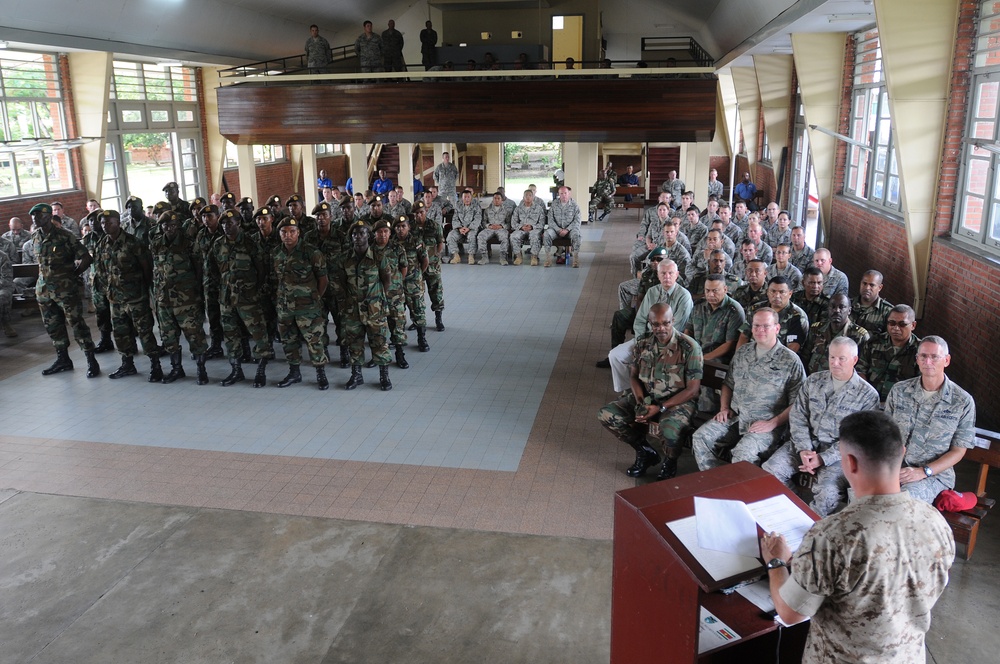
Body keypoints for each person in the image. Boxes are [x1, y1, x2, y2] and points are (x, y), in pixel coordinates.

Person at [760, 410, 954, 663]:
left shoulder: (833, 534)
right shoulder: (935, 521)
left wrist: (776, 563)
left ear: (850, 463)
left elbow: (790, 613)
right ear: (902, 453)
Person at [762, 337, 880, 516]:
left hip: (840, 455)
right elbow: (798, 415)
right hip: (805, 445)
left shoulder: (868, 395)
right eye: (832, 357)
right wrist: (803, 449)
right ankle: (793, 513)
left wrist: (823, 458)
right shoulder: (813, 381)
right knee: (770, 470)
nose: (835, 363)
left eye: (842, 359)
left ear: (854, 360)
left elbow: (857, 438)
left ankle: (812, 528)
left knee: (827, 494)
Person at [692, 307, 805, 470]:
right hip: (736, 417)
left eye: (766, 326)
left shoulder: (790, 360)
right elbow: (728, 383)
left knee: (742, 454)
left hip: (766, 425)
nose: (760, 330)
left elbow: (798, 403)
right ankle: (716, 482)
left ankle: (743, 492)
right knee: (700, 437)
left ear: (777, 328)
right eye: (756, 326)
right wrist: (724, 408)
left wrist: (773, 423)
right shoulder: (743, 352)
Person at [598, 304, 703, 480]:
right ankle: (644, 451)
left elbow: (693, 390)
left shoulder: (689, 347)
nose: (661, 328)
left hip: (678, 402)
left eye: (666, 323)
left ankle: (670, 461)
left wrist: (660, 408)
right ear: (650, 323)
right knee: (607, 415)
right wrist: (640, 402)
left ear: (673, 321)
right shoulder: (642, 343)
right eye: (656, 324)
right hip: (647, 397)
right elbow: (633, 375)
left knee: (669, 430)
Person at [884, 336, 977, 503]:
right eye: (923, 356)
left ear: (946, 360)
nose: (928, 361)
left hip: (933, 475)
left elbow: (959, 450)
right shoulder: (900, 391)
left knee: (903, 500)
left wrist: (923, 471)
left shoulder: (962, 401)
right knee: (861, 492)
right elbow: (885, 434)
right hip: (894, 467)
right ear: (917, 359)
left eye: (935, 357)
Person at [29, 203, 100, 377]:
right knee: (53, 326)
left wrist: (72, 274)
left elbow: (86, 258)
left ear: (47, 216)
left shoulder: (65, 236)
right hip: (44, 291)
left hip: (65, 290)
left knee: (77, 324)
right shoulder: (35, 237)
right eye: (33, 217)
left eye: (38, 216)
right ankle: (63, 360)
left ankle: (91, 360)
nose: (35, 219)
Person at [93, 209, 162, 381]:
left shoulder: (133, 243)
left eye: (109, 222)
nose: (105, 226)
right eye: (103, 223)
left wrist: (144, 289)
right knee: (121, 333)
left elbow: (147, 268)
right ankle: (127, 364)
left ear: (118, 223)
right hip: (115, 299)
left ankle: (155, 364)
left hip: (135, 297)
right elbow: (101, 271)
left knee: (144, 331)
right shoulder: (102, 245)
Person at [606, 260, 694, 392]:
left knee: (651, 362)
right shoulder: (652, 292)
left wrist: (653, 345)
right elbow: (640, 320)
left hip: (670, 344)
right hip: (646, 339)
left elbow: (677, 327)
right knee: (615, 355)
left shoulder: (684, 296)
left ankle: (648, 391)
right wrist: (641, 341)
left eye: (670, 273)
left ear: (677, 274)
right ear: (658, 275)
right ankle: (628, 390)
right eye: (663, 273)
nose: (667, 276)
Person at [212, 210, 275, 387]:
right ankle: (236, 370)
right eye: (223, 223)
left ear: (238, 223)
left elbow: (262, 268)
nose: (226, 226)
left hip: (249, 298)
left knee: (258, 334)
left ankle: (261, 370)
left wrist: (253, 289)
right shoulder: (218, 244)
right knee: (231, 336)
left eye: (230, 223)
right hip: (227, 299)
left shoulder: (250, 243)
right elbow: (214, 270)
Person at [149, 211, 209, 385]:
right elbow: (156, 271)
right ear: (161, 227)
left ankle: (201, 369)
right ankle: (177, 369)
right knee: (169, 336)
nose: (170, 228)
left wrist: (196, 292)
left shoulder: (188, 244)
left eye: (174, 225)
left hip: (186, 299)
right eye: (166, 225)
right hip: (164, 300)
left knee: (195, 335)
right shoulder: (157, 244)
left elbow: (199, 268)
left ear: (179, 226)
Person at [273, 217, 329, 390]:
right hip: (285, 307)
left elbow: (323, 279)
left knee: (314, 341)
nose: (288, 235)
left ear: (298, 232)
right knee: (289, 340)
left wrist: (314, 298)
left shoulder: (311, 252)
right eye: (284, 232)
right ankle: (294, 372)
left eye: (292, 231)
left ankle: (320, 373)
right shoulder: (277, 253)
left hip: (308, 307)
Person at [337, 221, 393, 391]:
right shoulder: (345, 258)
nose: (358, 237)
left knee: (379, 341)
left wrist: (377, 299)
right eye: (355, 234)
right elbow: (341, 283)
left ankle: (384, 376)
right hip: (353, 309)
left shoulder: (378, 256)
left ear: (368, 235)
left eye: (362, 233)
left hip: (375, 309)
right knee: (355, 343)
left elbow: (387, 280)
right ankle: (356, 375)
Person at [684, 273, 746, 411]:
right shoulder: (699, 307)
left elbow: (730, 344)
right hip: (697, 353)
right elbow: (688, 332)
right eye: (707, 291)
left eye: (715, 290)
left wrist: (703, 359)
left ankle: (706, 413)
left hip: (718, 358)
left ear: (725, 289)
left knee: (706, 375)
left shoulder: (734, 311)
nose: (710, 294)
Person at [857, 304, 920, 403]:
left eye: (902, 324)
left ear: (913, 325)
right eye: (892, 323)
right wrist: (866, 395)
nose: (896, 328)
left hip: (901, 405)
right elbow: (860, 370)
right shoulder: (874, 343)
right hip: (870, 401)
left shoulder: (920, 351)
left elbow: (921, 383)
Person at [370, 219, 409, 369]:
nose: (383, 234)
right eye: (379, 232)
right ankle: (378, 354)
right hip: (376, 296)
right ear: (374, 234)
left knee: (397, 325)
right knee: (378, 327)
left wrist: (396, 283)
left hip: (395, 295)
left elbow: (403, 268)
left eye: (386, 231)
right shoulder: (370, 250)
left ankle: (400, 354)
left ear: (390, 233)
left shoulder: (397, 248)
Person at [736, 276, 809, 354]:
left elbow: (792, 348)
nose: (777, 296)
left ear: (790, 294)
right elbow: (744, 336)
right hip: (752, 354)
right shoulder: (756, 309)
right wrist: (738, 356)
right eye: (773, 291)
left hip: (779, 359)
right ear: (767, 292)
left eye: (782, 292)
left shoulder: (798, 316)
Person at [801, 293, 869, 374]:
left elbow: (860, 370)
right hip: (813, 380)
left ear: (849, 311)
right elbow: (805, 357)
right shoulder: (816, 329)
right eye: (832, 307)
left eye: (841, 307)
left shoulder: (860, 336)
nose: (836, 310)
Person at [393, 215, 430, 352]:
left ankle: (422, 338)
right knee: (398, 313)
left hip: (414, 283)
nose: (401, 229)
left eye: (403, 226)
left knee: (418, 311)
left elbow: (424, 261)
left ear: (408, 227)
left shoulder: (416, 241)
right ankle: (398, 340)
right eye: (398, 227)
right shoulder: (392, 243)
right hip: (397, 285)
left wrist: (417, 275)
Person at [410, 200, 446, 331]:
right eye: (416, 213)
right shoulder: (410, 227)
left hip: (432, 266)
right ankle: (416, 320)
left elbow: (440, 242)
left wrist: (436, 255)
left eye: (421, 212)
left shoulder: (434, 226)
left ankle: (438, 318)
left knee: (436, 291)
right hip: (415, 267)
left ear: (426, 211)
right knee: (415, 295)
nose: (419, 215)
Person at [545, 185, 583, 268]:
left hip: (570, 230)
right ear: (559, 194)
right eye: (561, 193)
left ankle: (576, 259)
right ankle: (548, 259)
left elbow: (577, 220)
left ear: (569, 194)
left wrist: (567, 229)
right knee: (546, 234)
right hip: (556, 230)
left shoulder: (574, 205)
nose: (563, 195)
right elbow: (550, 220)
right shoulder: (554, 204)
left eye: (565, 193)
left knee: (577, 235)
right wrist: (558, 230)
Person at [509, 189, 545, 265]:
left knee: (535, 236)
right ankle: (518, 256)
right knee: (513, 236)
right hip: (521, 228)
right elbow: (513, 222)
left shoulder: (539, 208)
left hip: (534, 229)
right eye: (526, 196)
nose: (528, 197)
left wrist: (532, 227)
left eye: (530, 195)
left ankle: (534, 257)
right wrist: (521, 227)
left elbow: (542, 223)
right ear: (523, 197)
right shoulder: (518, 208)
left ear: (533, 197)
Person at [852, 269, 893, 335]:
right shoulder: (848, 305)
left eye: (872, 285)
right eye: (864, 283)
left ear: (880, 287)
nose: (867, 288)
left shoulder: (888, 311)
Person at [447, 189, 482, 264]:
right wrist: (459, 228)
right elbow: (455, 218)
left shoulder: (476, 206)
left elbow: (478, 219)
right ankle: (456, 256)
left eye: (468, 197)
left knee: (472, 236)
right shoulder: (458, 205)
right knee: (450, 236)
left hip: (471, 228)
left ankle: (471, 256)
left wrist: (469, 228)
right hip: (460, 228)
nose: (466, 199)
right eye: (465, 197)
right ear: (462, 198)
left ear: (471, 197)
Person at [477, 192, 511, 265]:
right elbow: (483, 221)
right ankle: (484, 257)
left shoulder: (506, 210)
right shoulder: (487, 210)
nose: (496, 200)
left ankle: (503, 258)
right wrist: (488, 226)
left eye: (498, 198)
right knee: (481, 236)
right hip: (490, 228)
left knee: (505, 237)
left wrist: (502, 226)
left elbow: (509, 223)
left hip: (501, 229)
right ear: (492, 200)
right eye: (495, 198)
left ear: (502, 200)